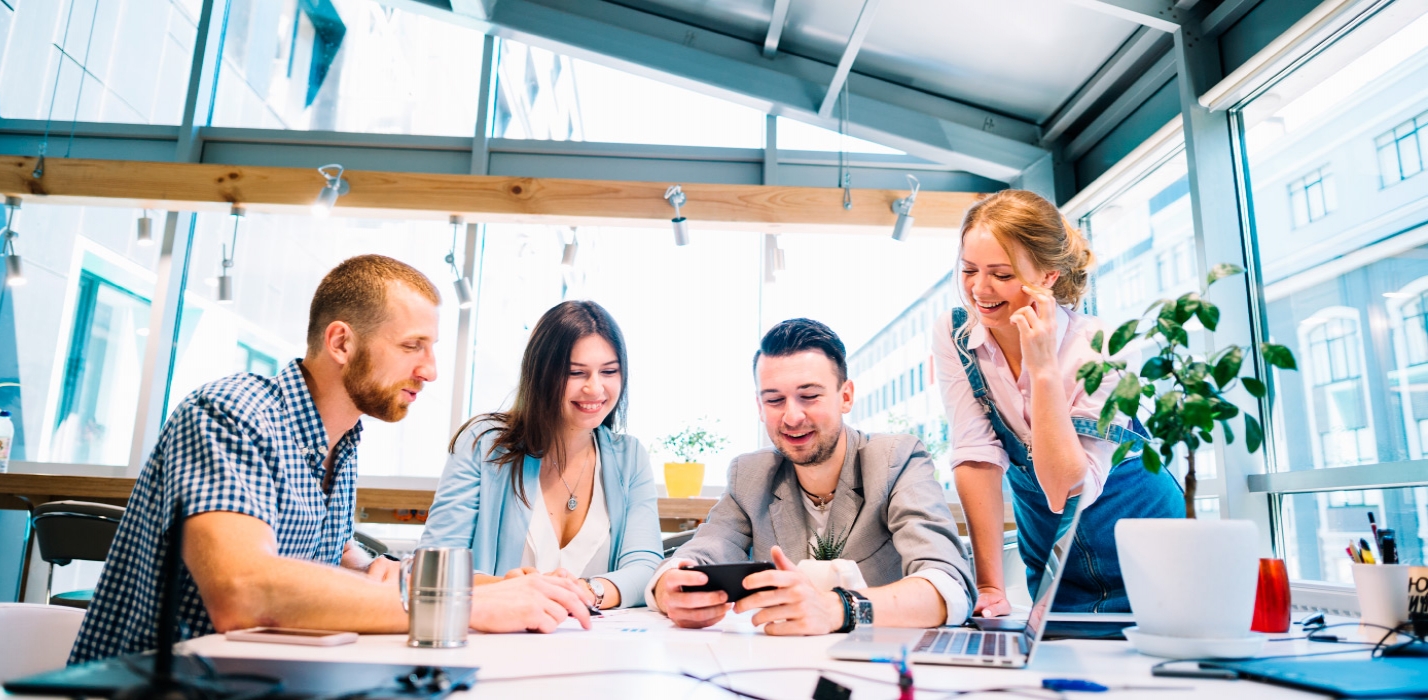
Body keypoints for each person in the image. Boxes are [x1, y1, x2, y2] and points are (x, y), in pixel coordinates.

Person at [70, 255, 593, 664]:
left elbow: (352, 574)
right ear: (341, 342)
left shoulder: (339, 442)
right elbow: (243, 590)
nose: (430, 371)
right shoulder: (232, 412)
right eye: (413, 346)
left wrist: (504, 588)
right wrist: (467, 607)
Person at [932, 189, 1184, 617]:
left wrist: (1043, 368)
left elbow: (1066, 488)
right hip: (1052, 557)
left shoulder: (1101, 347)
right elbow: (976, 456)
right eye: (969, 269)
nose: (979, 288)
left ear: (1047, 277)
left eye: (1002, 274)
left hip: (1146, 549)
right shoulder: (957, 336)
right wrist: (991, 586)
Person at [648, 318, 974, 634]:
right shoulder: (749, 474)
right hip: (779, 668)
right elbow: (703, 552)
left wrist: (836, 608)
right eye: (774, 400)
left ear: (845, 396)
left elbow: (948, 584)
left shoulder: (897, 460)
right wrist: (668, 588)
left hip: (879, 665)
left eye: (809, 395)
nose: (791, 416)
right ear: (760, 408)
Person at [420, 300, 662, 609]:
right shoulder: (484, 444)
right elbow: (434, 564)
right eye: (576, 373)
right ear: (540, 374)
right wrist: (514, 590)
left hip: (594, 643)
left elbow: (644, 567)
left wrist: (589, 591)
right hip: (498, 640)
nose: (595, 388)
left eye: (609, 371)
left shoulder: (631, 457)